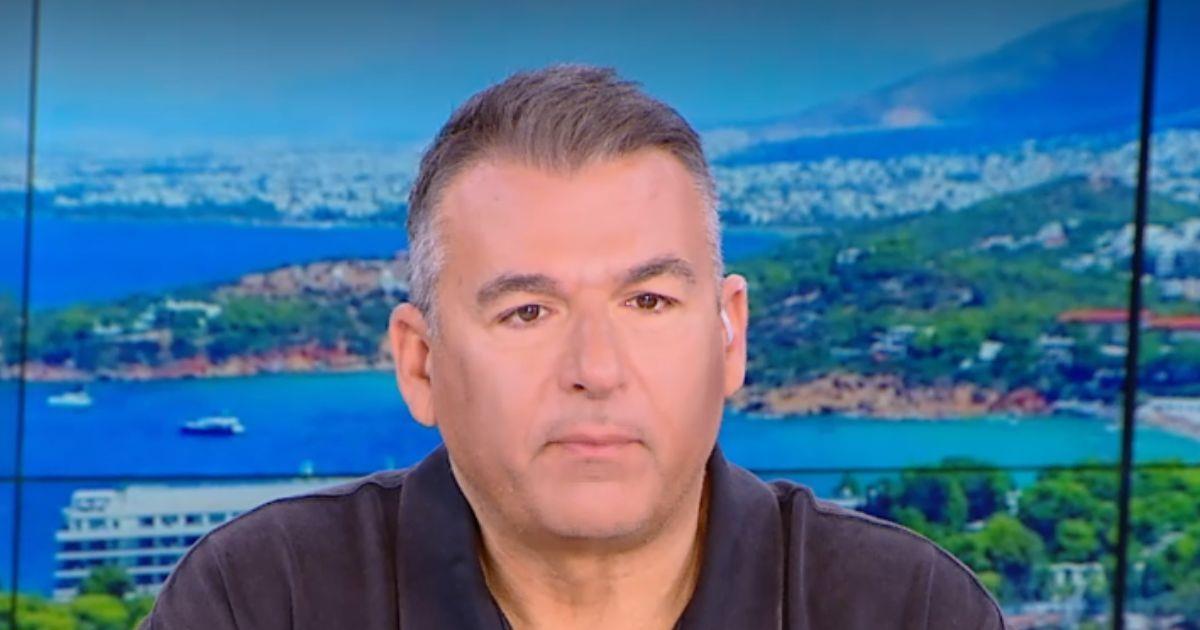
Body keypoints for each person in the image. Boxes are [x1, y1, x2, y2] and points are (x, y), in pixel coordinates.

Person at [140, 63, 1006, 629]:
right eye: (528, 312)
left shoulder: (905, 608)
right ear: (421, 363)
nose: (596, 370)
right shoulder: (265, 600)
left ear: (729, 334)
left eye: (649, 301)